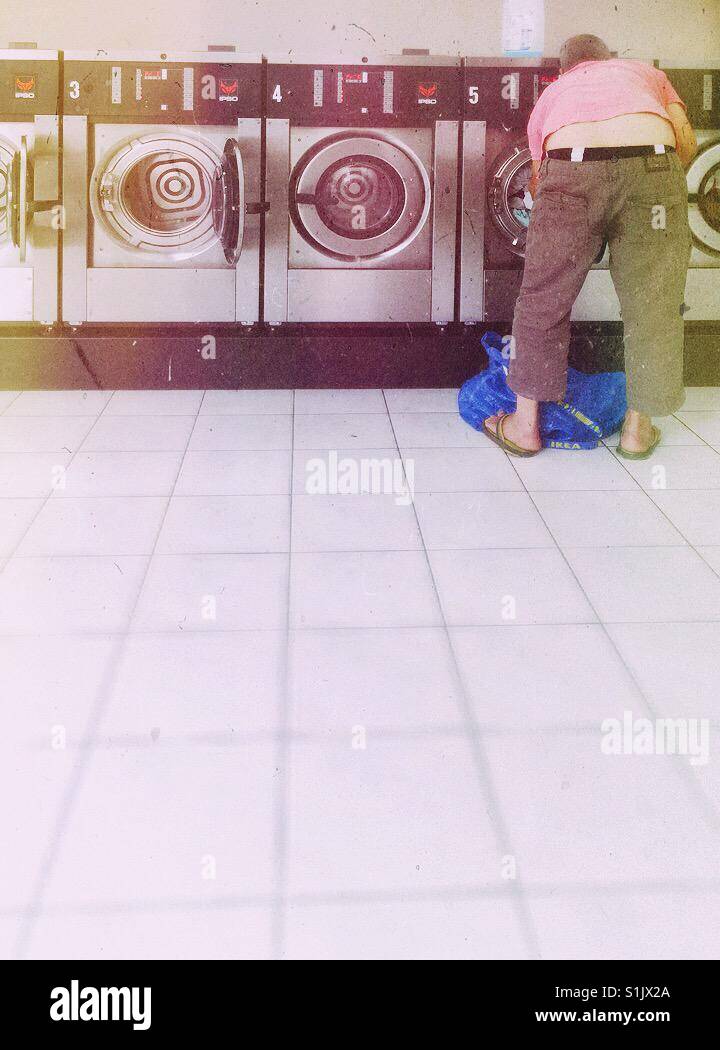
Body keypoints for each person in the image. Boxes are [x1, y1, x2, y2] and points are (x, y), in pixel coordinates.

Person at [484, 34, 697, 458]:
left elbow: (539, 177)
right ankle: (637, 431)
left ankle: (525, 427)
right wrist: (650, 187)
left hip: (571, 172)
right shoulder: (646, 73)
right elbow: (686, 143)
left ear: (564, 70)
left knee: (543, 298)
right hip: (653, 168)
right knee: (654, 301)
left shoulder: (554, 93)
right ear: (610, 58)